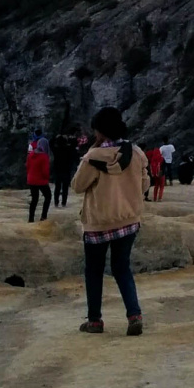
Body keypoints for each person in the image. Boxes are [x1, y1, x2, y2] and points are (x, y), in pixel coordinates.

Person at [70, 106, 147, 336]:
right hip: (129, 220)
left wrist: (91, 152)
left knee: (94, 271)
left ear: (101, 132)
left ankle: (95, 321)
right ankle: (134, 315)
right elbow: (145, 185)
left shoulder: (93, 158)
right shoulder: (136, 153)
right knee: (122, 268)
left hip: (99, 224)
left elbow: (77, 186)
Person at [50, 126, 83, 207]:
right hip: (66, 171)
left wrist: (56, 136)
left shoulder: (56, 150)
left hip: (57, 171)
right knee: (65, 188)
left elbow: (50, 143)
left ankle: (56, 202)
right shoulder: (69, 149)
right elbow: (74, 144)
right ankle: (64, 203)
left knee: (57, 187)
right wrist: (69, 139)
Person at [25, 132, 53, 222]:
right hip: (41, 180)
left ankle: (31, 219)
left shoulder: (31, 155)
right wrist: (47, 178)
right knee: (48, 196)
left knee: (34, 199)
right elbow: (45, 171)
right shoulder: (44, 156)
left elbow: (27, 166)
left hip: (31, 179)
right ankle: (43, 216)